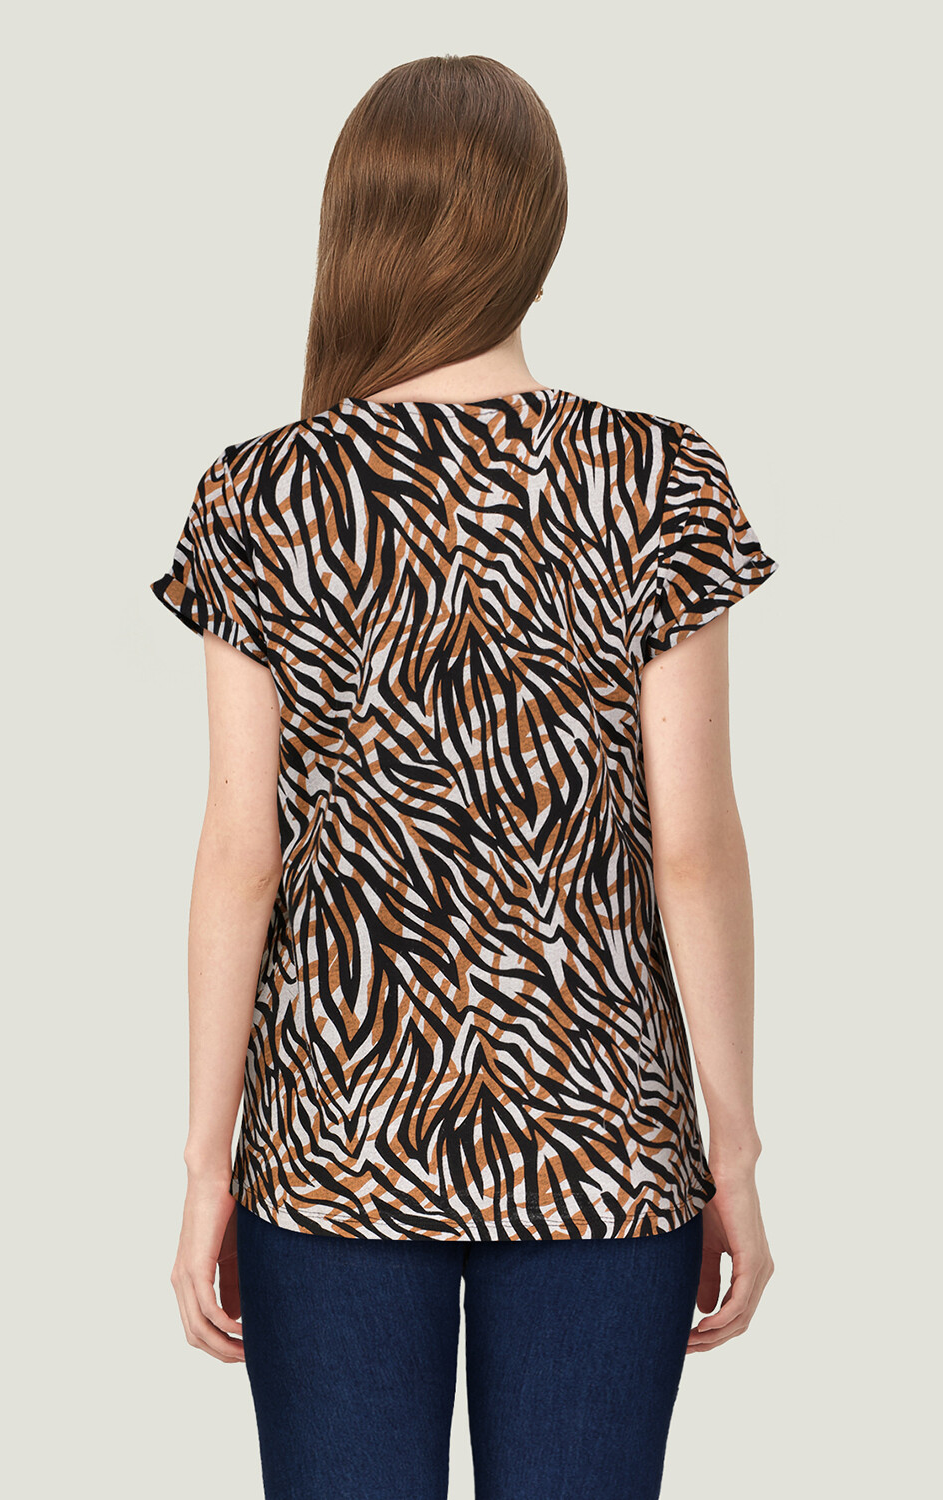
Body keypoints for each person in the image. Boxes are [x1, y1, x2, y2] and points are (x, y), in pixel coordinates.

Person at [149, 52, 778, 1500]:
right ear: (539, 233)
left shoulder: (262, 494)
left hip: (335, 1139)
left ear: (354, 229)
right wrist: (733, 1149)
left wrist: (205, 1168)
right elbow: (693, 846)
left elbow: (241, 854)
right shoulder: (656, 479)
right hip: (605, 1141)